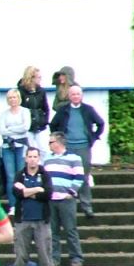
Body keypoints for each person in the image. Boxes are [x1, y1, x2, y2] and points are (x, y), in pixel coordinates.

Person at [49, 84, 105, 218]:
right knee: (67, 176)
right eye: (73, 94)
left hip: (83, 147)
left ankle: (87, 206)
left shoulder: (88, 110)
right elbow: (53, 125)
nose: (75, 96)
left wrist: (93, 137)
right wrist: (60, 139)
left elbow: (100, 123)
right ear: (69, 96)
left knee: (83, 176)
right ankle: (70, 205)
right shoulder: (63, 110)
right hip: (68, 147)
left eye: (78, 94)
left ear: (81, 95)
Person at [12, 147, 55, 266]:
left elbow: (48, 194)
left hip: (42, 221)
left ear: (39, 158)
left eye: (35, 156)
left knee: (45, 254)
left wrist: (28, 191)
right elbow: (17, 193)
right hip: (23, 221)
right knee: (21, 255)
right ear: (26, 158)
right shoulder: (20, 175)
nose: (32, 159)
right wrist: (37, 190)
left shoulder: (44, 175)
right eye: (29, 156)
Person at [42, 132, 85, 266]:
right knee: (52, 231)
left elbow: (79, 177)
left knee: (70, 229)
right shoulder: (47, 159)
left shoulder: (74, 158)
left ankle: (76, 257)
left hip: (66, 200)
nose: (49, 145)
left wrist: (71, 193)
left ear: (58, 143)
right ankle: (54, 258)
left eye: (51, 142)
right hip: (51, 199)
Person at [0, 88, 32, 212]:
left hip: (21, 146)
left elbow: (25, 127)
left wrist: (10, 129)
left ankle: (22, 203)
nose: (13, 100)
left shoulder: (25, 111)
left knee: (21, 174)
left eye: (15, 97)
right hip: (8, 146)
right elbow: (2, 131)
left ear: (19, 98)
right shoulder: (4, 114)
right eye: (10, 98)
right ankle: (13, 205)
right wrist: (14, 130)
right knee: (10, 176)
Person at [17, 65, 52, 153]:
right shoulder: (21, 91)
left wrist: (45, 121)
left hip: (40, 126)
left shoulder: (41, 91)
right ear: (31, 77)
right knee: (28, 151)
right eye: (38, 77)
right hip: (27, 128)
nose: (40, 79)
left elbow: (46, 108)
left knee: (44, 150)